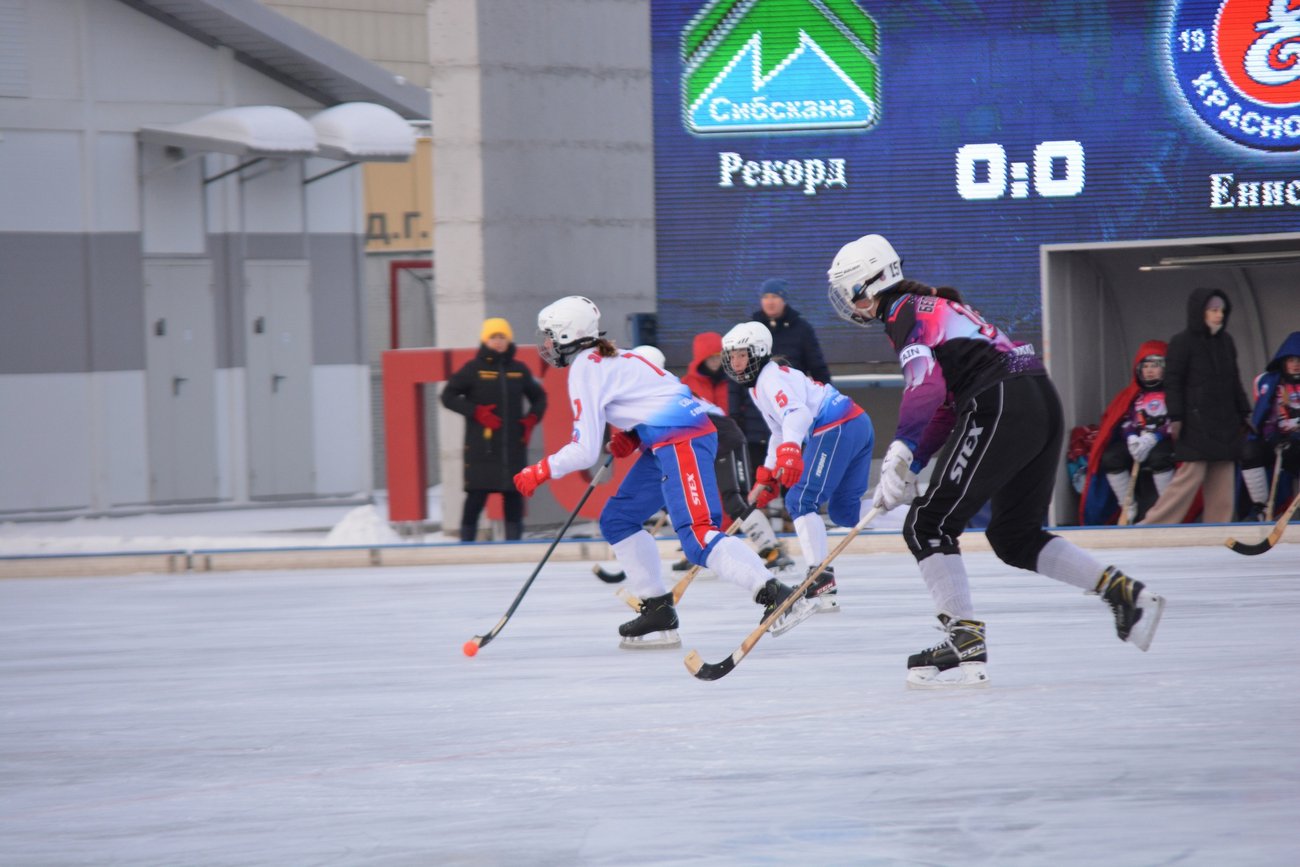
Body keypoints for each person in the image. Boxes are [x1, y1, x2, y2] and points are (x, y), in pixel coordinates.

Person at [827, 233, 1166, 688]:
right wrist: (914, 461)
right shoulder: (927, 306)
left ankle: (963, 638)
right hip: (1036, 399)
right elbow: (944, 405)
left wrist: (900, 449)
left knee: (927, 525)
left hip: (1000, 402)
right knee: (1013, 536)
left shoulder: (902, 312)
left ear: (869, 284)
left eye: (850, 294)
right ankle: (1121, 592)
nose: (851, 305)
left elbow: (924, 386)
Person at [513, 296, 815, 649]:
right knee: (618, 519)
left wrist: (540, 470)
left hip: (682, 439)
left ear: (568, 335)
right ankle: (657, 609)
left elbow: (584, 450)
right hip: (667, 441)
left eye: (550, 336)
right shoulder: (618, 356)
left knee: (698, 537)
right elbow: (668, 393)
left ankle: (775, 593)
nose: (547, 344)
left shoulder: (586, 367)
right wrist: (635, 434)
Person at [720, 321, 875, 613]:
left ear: (759, 352)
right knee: (846, 513)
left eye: (742, 355)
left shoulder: (769, 379)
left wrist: (791, 451)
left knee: (800, 500)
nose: (736, 362)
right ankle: (913, 516)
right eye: (732, 356)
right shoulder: (761, 384)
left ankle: (820, 578)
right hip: (855, 422)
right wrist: (768, 473)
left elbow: (798, 414)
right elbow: (779, 430)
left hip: (836, 425)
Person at [675, 334, 795, 574]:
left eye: (718, 357)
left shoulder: (734, 378)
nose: (715, 362)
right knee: (696, 500)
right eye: (709, 358)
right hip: (701, 445)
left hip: (726, 439)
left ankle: (771, 549)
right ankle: (701, 549)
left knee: (735, 499)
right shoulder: (682, 384)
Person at [1138, 289, 1252, 525]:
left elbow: (1234, 380)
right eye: (1213, 310)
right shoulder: (1182, 342)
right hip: (1195, 421)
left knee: (1222, 478)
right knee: (1190, 475)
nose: (1219, 315)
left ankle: (1218, 527)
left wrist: (1244, 412)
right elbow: (1173, 382)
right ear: (1200, 311)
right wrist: (1176, 416)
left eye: (1221, 310)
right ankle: (1154, 525)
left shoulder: (1226, 342)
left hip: (1225, 421)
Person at [441, 317, 546, 542]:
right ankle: (466, 544)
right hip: (482, 448)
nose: (498, 341)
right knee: (475, 498)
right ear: (485, 340)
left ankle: (514, 545)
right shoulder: (473, 369)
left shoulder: (519, 370)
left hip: (513, 448)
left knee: (514, 498)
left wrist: (531, 419)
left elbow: (539, 398)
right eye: (493, 337)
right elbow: (447, 396)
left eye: (502, 337)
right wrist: (476, 412)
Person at [728, 279, 833, 480]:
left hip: (793, 412)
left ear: (784, 300)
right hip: (755, 419)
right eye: (766, 297)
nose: (770, 301)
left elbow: (818, 367)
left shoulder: (801, 330)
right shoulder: (747, 332)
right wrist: (735, 415)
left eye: (775, 296)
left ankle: (791, 499)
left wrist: (827, 403)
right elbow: (736, 378)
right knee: (761, 475)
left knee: (792, 476)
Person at [1078, 341, 1175, 525]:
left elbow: (1174, 421)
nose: (1149, 370)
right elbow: (1125, 420)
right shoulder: (1133, 396)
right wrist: (1131, 437)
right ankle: (1128, 507)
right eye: (1145, 366)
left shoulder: (1173, 394)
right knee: (1111, 457)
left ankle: (1167, 510)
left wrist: (1154, 437)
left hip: (1163, 441)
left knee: (1159, 458)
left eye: (1155, 365)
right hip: (1138, 441)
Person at [1241, 331, 1300, 520]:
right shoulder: (1270, 383)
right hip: (1277, 442)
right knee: (1250, 450)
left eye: (1299, 360)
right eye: (1291, 360)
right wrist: (1273, 437)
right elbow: (1264, 419)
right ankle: (1261, 509)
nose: (1296, 364)